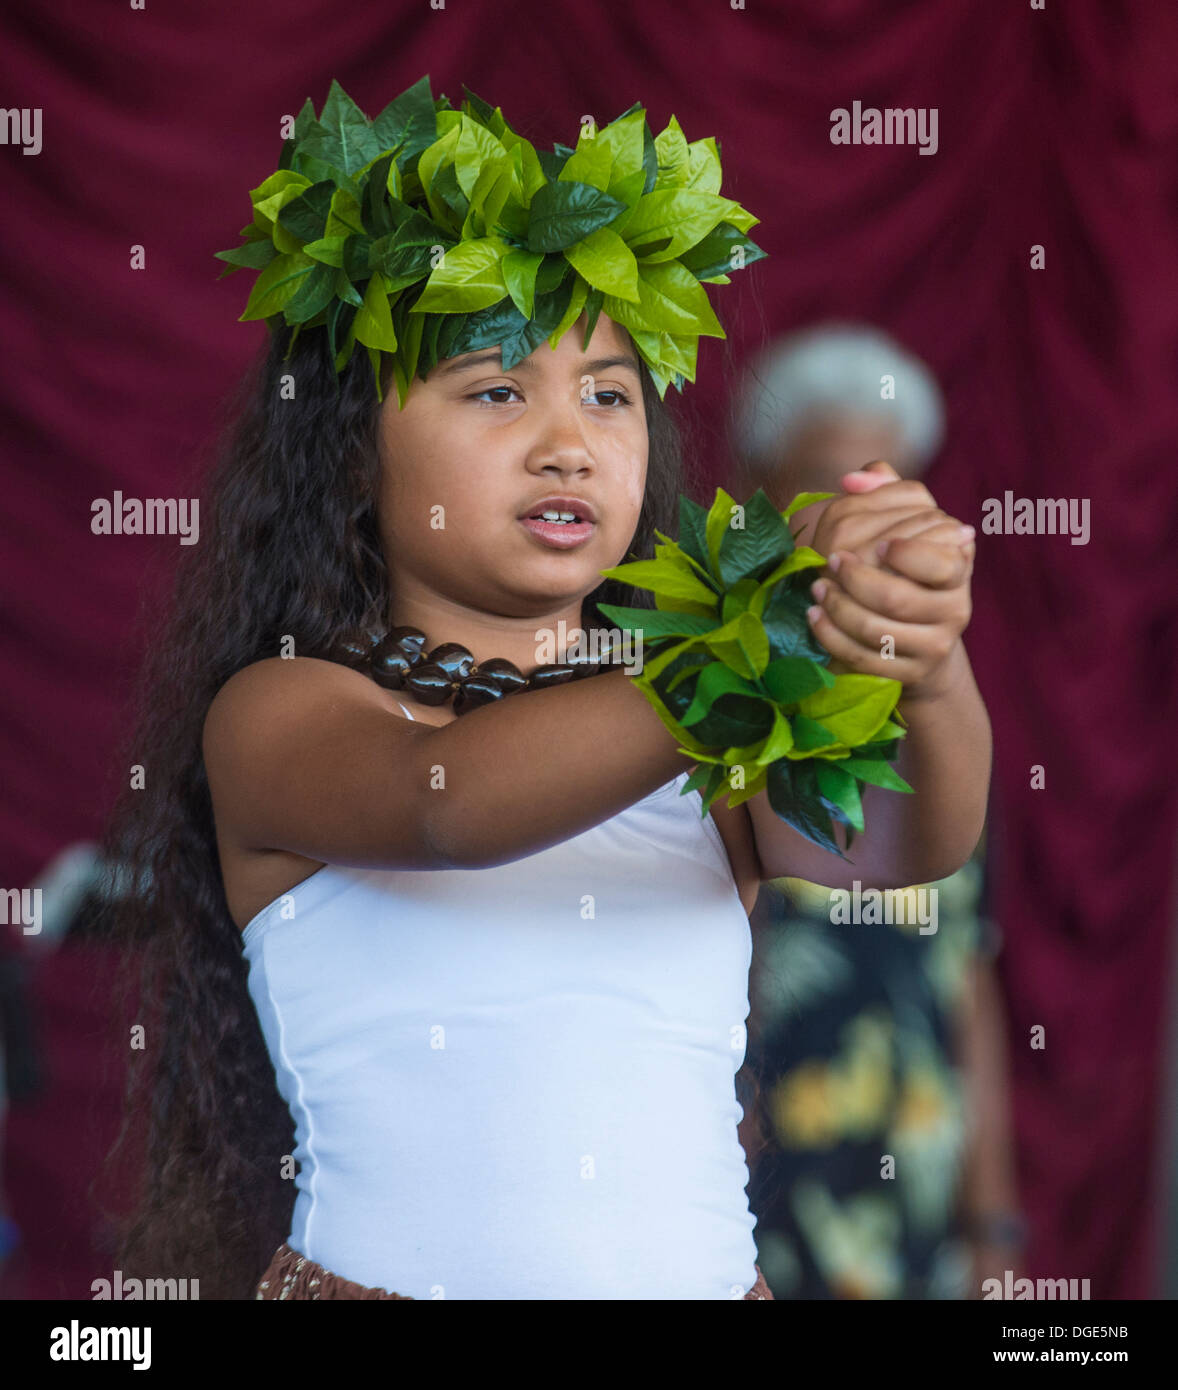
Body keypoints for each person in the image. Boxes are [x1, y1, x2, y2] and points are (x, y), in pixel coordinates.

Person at [98, 79, 990, 1300]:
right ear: (354, 442)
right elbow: (446, 804)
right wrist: (738, 641)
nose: (567, 441)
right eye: (498, 389)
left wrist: (918, 660)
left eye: (609, 394)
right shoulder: (286, 710)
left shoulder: (698, 743)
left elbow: (893, 845)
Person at [730, 323, 1023, 1297]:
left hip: (913, 1181)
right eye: (824, 480)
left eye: (887, 486)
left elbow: (964, 970)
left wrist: (990, 1218)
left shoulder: (942, 713)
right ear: (761, 492)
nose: (860, 519)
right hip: (755, 1179)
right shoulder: (710, 695)